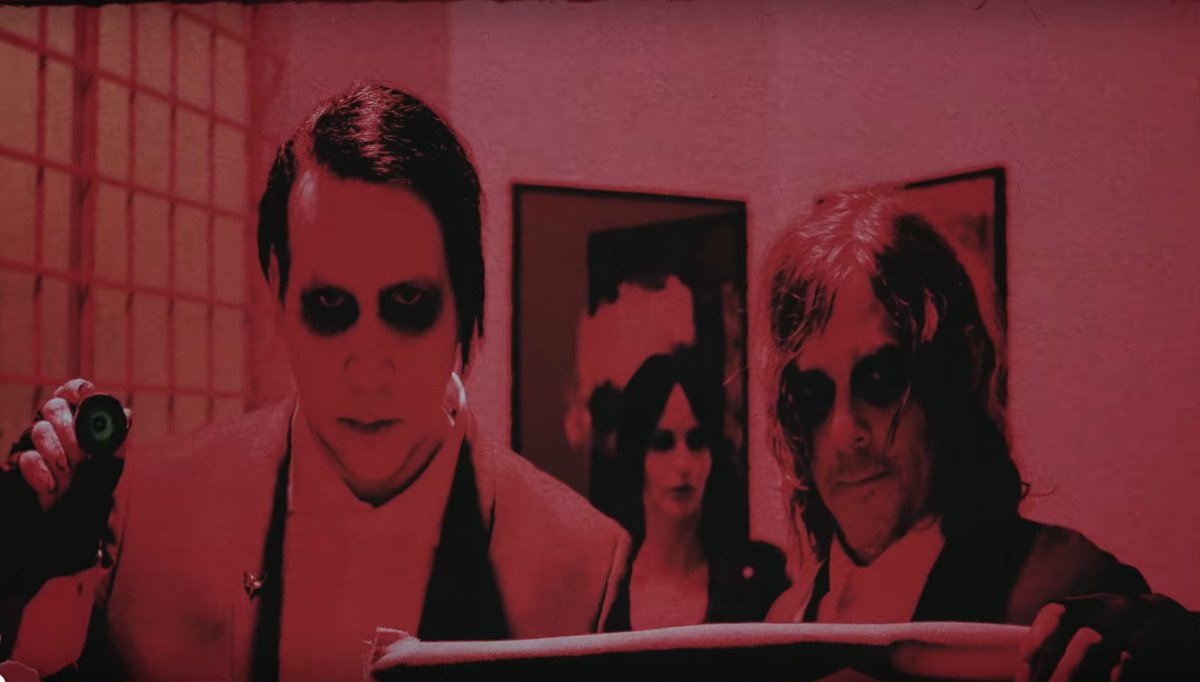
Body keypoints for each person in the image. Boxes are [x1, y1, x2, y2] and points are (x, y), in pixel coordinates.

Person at [0, 82, 631, 680]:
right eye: (330, 305)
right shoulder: (145, 517)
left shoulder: (579, 569)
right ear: (278, 283)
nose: (368, 366)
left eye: (408, 303)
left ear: (464, 295)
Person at [762, 189, 1200, 680]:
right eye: (813, 394)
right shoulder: (784, 620)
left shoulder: (1061, 598)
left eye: (880, 380)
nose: (845, 433)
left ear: (957, 370)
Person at [609, 351, 787, 630]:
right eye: (662, 443)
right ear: (636, 455)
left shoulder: (756, 582)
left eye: (696, 441)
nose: (683, 464)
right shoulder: (607, 593)